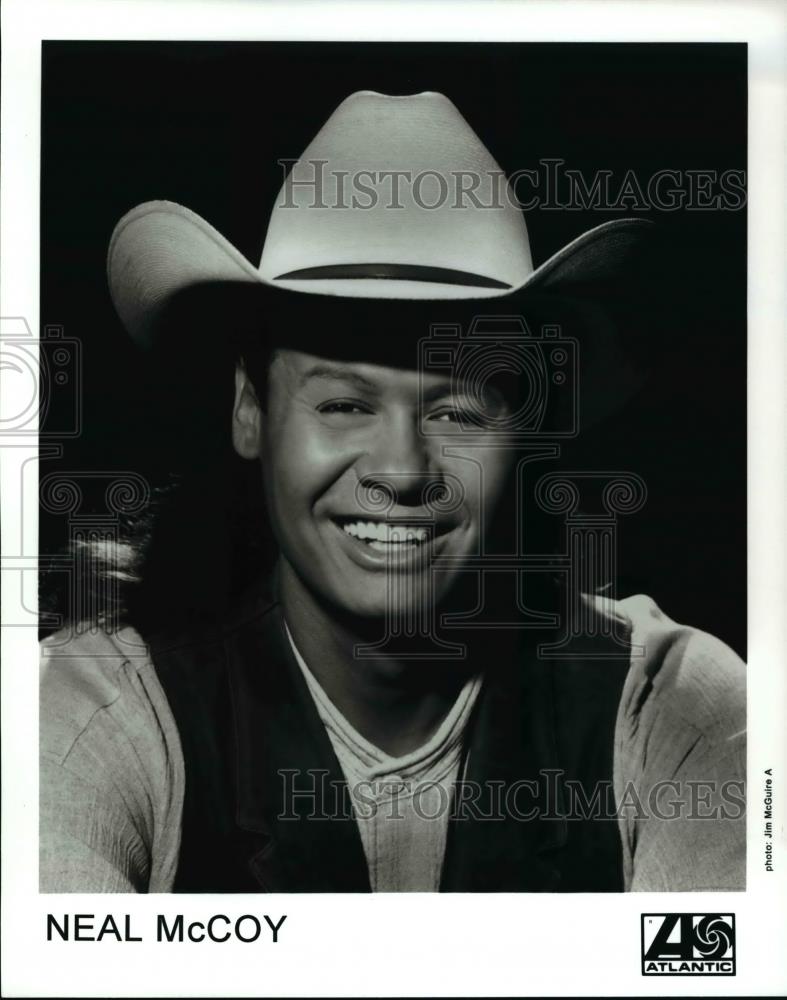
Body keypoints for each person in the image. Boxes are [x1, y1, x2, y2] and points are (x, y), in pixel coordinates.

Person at [40, 90, 745, 893]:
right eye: (343, 404)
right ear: (249, 409)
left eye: (457, 410)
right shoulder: (92, 716)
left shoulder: (677, 711)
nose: (402, 471)